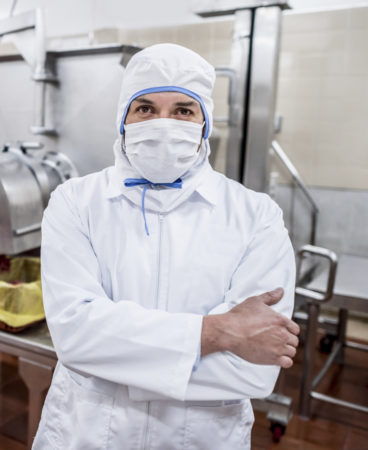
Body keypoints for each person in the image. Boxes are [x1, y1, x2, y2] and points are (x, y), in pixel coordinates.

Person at [33, 44, 300, 450]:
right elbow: (75, 338)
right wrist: (219, 332)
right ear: (123, 120)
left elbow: (253, 373)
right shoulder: (75, 202)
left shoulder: (255, 215)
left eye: (182, 110)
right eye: (144, 108)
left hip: (202, 439)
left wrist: (116, 361)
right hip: (87, 433)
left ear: (204, 123)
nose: (163, 123)